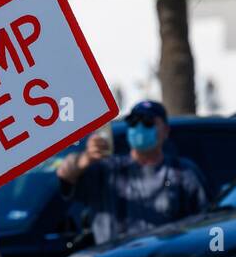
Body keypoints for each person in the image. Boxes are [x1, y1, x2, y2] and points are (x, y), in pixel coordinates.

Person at [56, 99, 211, 245]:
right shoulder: (108, 170)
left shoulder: (182, 172)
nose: (139, 128)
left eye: (148, 123)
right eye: (133, 122)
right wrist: (85, 158)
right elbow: (65, 174)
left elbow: (204, 222)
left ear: (166, 130)